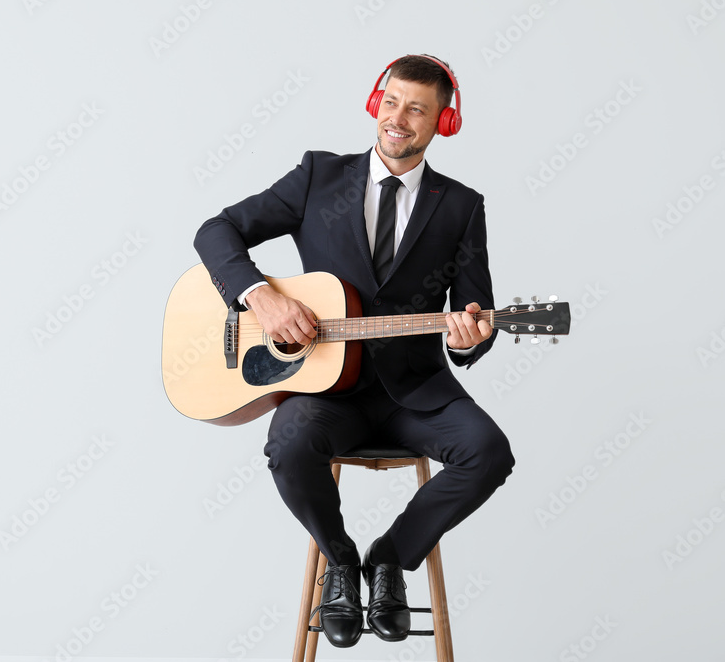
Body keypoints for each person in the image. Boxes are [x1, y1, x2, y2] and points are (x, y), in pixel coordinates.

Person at [193, 54, 515, 648]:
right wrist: (259, 296)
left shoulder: (461, 205)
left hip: (414, 393)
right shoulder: (320, 175)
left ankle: (389, 561)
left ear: (443, 121)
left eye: (418, 109)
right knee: (288, 446)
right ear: (375, 103)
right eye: (391, 102)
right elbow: (216, 230)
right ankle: (339, 565)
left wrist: (474, 336)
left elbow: (475, 310)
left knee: (490, 452)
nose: (399, 118)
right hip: (323, 388)